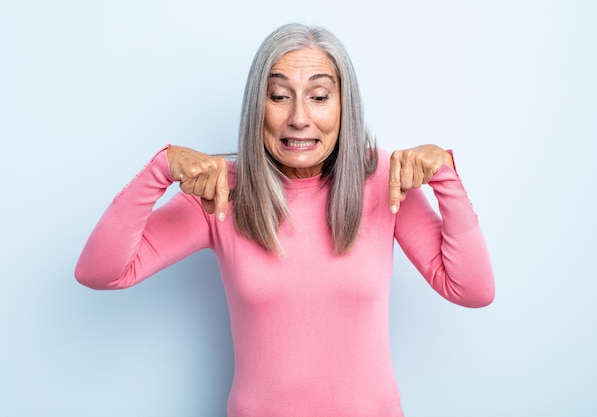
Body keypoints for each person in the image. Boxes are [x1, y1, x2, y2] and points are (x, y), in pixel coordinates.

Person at [75, 22, 494, 417]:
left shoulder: (383, 180)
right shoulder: (222, 192)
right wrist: (160, 169)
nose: (298, 117)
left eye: (319, 96)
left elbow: (472, 290)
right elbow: (101, 271)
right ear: (257, 107)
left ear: (344, 105)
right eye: (279, 96)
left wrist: (445, 175)